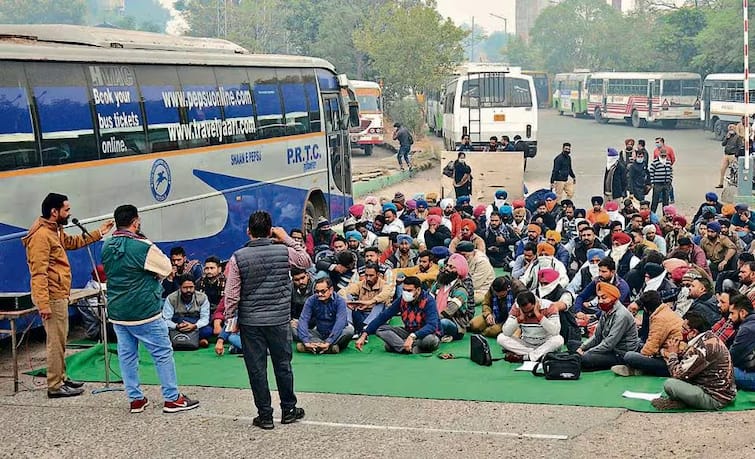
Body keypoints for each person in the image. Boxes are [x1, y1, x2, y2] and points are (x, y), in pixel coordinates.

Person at [101, 204, 198, 413]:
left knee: (127, 355)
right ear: (136, 221)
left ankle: (136, 399)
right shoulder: (143, 246)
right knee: (162, 352)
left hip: (118, 311)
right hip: (144, 310)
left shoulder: (106, 245)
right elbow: (165, 267)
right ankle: (172, 398)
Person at [223, 211, 311, 430]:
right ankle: (289, 409)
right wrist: (287, 238)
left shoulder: (238, 257)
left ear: (248, 231)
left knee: (256, 369)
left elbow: (232, 294)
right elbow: (306, 260)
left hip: (251, 322)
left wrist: (230, 318)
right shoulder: (284, 251)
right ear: (271, 230)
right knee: (283, 365)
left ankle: (265, 415)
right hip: (279, 319)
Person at [22, 193, 114, 398]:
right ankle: (54, 385)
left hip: (59, 293)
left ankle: (61, 377)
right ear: (54, 212)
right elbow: (38, 273)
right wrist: (44, 304)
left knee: (61, 339)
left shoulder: (55, 230)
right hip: (52, 296)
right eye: (66, 210)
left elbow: (71, 242)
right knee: (55, 341)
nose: (69, 213)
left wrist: (99, 232)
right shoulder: (41, 237)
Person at [652, 312, 736, 411]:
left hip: (715, 398)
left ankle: (683, 402)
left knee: (670, 384)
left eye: (684, 329)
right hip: (724, 393)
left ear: (693, 332)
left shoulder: (700, 349)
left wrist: (672, 354)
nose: (681, 331)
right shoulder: (709, 337)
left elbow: (677, 374)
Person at [355, 276, 441, 354]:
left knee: (430, 341)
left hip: (424, 334)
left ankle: (398, 345)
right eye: (404, 290)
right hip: (408, 331)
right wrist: (364, 334)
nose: (405, 293)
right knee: (381, 329)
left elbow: (432, 326)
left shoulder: (429, 301)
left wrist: (413, 337)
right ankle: (407, 348)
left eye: (409, 290)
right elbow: (384, 315)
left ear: (418, 290)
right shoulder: (402, 300)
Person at [613, 291, 682, 377]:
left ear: (645, 308)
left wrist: (638, 355)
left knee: (629, 356)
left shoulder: (660, 319)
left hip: (669, 360)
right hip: (666, 352)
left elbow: (650, 349)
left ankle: (639, 368)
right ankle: (639, 369)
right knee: (637, 345)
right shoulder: (664, 310)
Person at [577, 282, 641, 371]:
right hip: (609, 349)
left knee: (586, 358)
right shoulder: (606, 310)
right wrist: (582, 347)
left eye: (604, 297)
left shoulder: (622, 315)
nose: (600, 301)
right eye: (599, 298)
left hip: (620, 353)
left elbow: (609, 344)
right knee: (573, 344)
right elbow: (597, 336)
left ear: (613, 298)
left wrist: (586, 352)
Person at [498, 291, 563, 363]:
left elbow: (555, 331)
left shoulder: (549, 306)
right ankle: (539, 355)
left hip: (545, 342)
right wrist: (519, 319)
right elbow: (506, 332)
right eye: (525, 311)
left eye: (531, 310)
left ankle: (526, 357)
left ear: (536, 304)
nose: (529, 314)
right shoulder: (516, 307)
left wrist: (539, 315)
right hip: (526, 343)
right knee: (501, 338)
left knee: (558, 339)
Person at [295, 278, 353, 354]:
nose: (319, 294)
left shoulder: (340, 301)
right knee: (294, 328)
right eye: (317, 292)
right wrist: (305, 341)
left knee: (349, 331)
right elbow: (304, 319)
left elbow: (340, 323)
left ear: (331, 290)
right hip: (319, 333)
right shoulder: (311, 300)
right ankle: (329, 348)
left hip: (336, 334)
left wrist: (329, 341)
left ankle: (314, 347)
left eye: (323, 291)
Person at [339, 263, 393, 336]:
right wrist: (346, 301)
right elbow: (342, 291)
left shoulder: (384, 285)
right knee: (347, 297)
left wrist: (371, 302)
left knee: (380, 302)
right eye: (366, 275)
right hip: (362, 313)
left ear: (378, 274)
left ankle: (366, 327)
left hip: (377, 316)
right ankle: (349, 325)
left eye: (371, 275)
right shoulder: (361, 284)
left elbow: (386, 294)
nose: (368, 278)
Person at [163, 275, 213, 348]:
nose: (188, 290)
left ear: (194, 286)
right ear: (180, 287)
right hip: (178, 324)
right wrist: (176, 326)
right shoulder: (171, 298)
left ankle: (181, 340)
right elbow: (166, 319)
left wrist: (194, 326)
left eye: (191, 287)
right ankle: (197, 340)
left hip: (195, 323)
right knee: (163, 328)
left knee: (208, 330)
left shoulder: (202, 297)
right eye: (185, 288)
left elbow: (204, 319)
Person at [430, 253, 471, 342]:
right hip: (433, 319)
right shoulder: (438, 284)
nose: (447, 269)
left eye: (451, 267)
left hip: (453, 324)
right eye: (447, 266)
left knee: (443, 323)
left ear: (459, 272)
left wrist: (431, 320)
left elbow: (449, 311)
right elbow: (428, 300)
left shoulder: (461, 290)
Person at [729, 297, 755, 390]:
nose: (730, 317)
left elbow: (731, 358)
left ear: (743, 313)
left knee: (719, 369)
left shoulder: (747, 329)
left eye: (732, 313)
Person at [717, 124, 743, 188]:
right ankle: (721, 183)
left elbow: (739, 147)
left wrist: (736, 154)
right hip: (726, 155)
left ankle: (735, 183)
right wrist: (726, 138)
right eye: (729, 129)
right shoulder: (728, 136)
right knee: (722, 169)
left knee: (734, 170)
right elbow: (723, 144)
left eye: (732, 129)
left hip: (732, 155)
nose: (730, 130)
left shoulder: (738, 137)